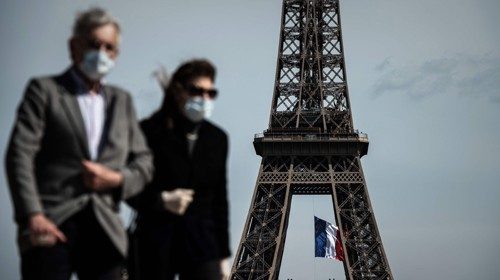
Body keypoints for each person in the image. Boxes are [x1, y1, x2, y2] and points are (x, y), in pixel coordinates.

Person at [5, 7, 153, 280]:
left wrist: (116, 178)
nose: (102, 53)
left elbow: (144, 163)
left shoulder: (122, 101)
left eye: (109, 47)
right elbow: (19, 155)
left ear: (116, 55)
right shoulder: (45, 91)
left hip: (105, 230)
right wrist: (33, 215)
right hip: (51, 223)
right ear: (74, 46)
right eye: (94, 44)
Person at [128, 59, 230, 280]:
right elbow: (127, 187)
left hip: (202, 245)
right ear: (178, 91)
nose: (204, 98)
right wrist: (161, 200)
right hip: (156, 241)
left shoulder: (217, 139)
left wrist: (223, 256)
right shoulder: (148, 132)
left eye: (211, 93)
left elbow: (219, 200)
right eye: (196, 91)